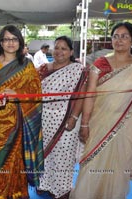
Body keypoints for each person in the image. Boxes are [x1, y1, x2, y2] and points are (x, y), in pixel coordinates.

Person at [70, 22, 132, 199]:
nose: (119, 40)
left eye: (124, 36)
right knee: (90, 166)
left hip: (127, 129)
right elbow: (89, 95)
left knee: (118, 171)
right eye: (115, 36)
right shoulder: (101, 64)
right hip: (98, 125)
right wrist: (85, 123)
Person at [0, 25, 44, 199]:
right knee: (0, 162)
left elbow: (36, 93)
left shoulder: (27, 64)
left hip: (21, 119)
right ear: (1, 42)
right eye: (6, 39)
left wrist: (16, 95)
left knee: (18, 162)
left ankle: (18, 194)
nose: (10, 43)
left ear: (20, 41)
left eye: (14, 39)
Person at [37, 36, 87, 199]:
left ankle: (62, 189)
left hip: (67, 119)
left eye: (64, 48)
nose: (59, 51)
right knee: (45, 153)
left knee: (63, 155)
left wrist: (73, 117)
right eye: (56, 47)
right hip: (44, 118)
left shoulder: (77, 70)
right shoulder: (44, 68)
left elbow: (80, 96)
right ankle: (44, 184)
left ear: (71, 52)